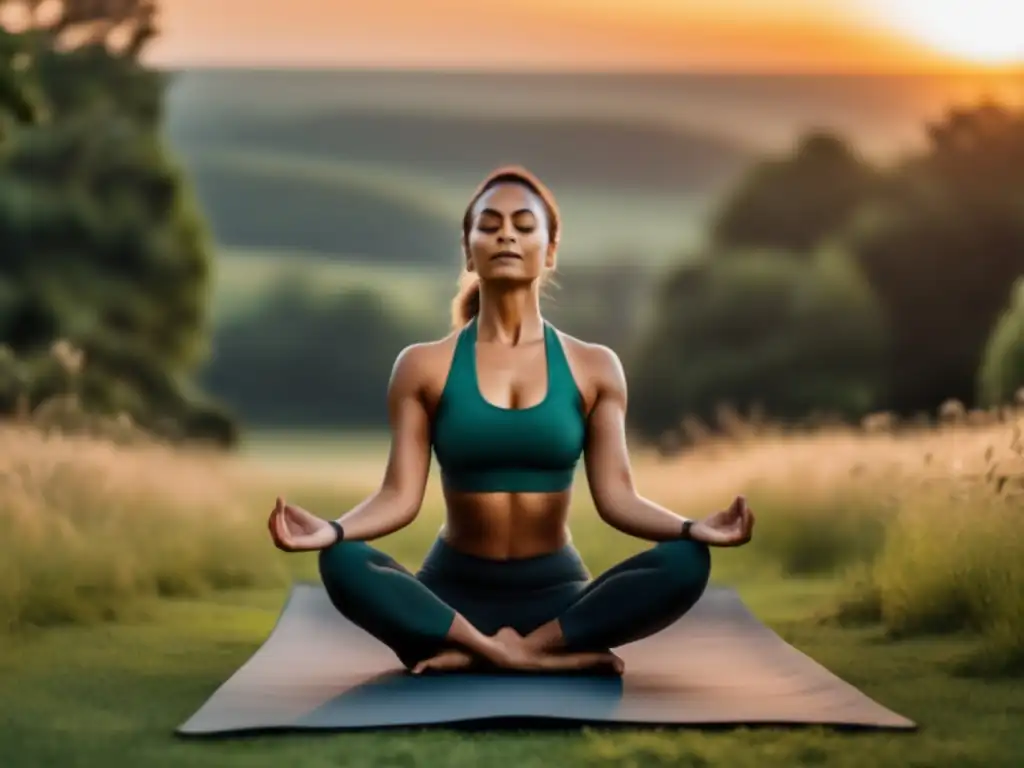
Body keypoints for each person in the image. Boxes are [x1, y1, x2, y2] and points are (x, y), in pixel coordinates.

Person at [267, 165, 755, 676]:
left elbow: (618, 499)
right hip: (451, 598)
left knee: (687, 560)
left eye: (524, 225)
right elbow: (399, 497)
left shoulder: (594, 366)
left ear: (550, 251)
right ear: (468, 248)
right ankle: (524, 655)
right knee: (342, 561)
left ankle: (511, 650)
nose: (506, 233)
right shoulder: (423, 366)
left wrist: (691, 527)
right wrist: (333, 529)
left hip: (557, 597)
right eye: (490, 224)